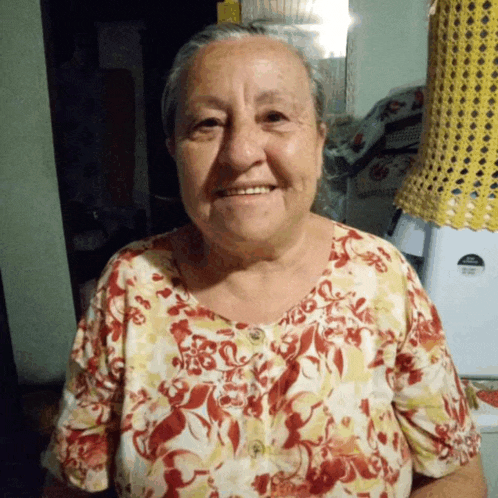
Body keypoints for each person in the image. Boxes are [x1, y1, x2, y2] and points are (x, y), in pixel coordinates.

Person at [42, 22, 487, 498]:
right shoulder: (130, 285)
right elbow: (73, 482)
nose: (240, 153)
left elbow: (454, 472)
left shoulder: (382, 276)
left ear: (318, 143)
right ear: (175, 151)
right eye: (208, 123)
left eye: (273, 116)